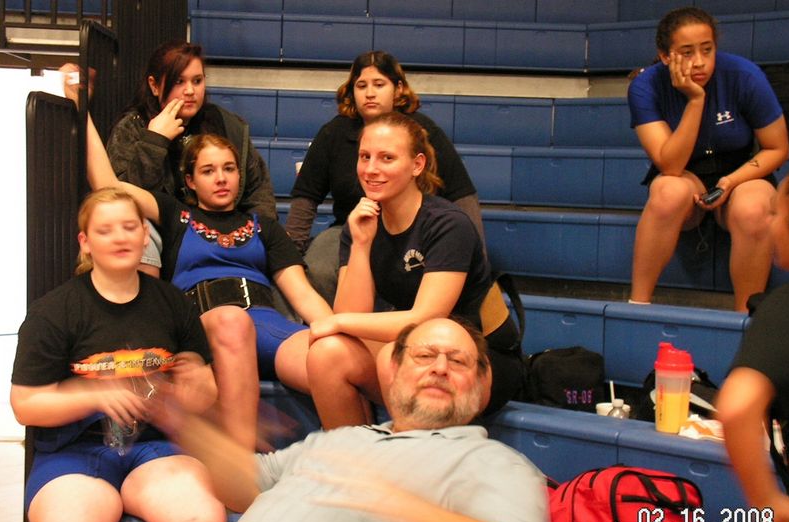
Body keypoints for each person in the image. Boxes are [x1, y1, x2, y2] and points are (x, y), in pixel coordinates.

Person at [65, 64, 333, 450]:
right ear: (191, 181)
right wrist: (80, 102)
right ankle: (242, 467)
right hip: (204, 325)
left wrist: (333, 333)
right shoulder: (175, 214)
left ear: (240, 176)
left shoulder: (264, 227)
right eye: (208, 171)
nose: (221, 178)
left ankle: (368, 458)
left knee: (336, 359)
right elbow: (107, 183)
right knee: (230, 322)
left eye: (228, 169)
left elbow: (303, 295)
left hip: (266, 324)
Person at [156, 317, 553, 522]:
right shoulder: (340, 440)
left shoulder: (493, 463)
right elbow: (243, 487)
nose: (439, 368)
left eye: (458, 361)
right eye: (424, 355)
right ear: (392, 370)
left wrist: (401, 509)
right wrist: (183, 419)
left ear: (482, 387)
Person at [277, 111, 525, 429]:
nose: (371, 169)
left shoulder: (447, 224)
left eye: (387, 158)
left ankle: (406, 454)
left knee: (390, 359)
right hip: (417, 348)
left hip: (478, 356)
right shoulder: (361, 222)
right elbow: (352, 315)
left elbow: (425, 318)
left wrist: (334, 321)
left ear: (417, 165)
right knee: (320, 353)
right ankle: (352, 454)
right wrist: (361, 245)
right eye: (364, 157)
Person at [11, 188, 226, 522]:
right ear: (85, 243)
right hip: (74, 454)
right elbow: (26, 405)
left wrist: (187, 391)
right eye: (105, 230)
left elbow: (205, 394)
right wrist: (96, 395)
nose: (120, 238)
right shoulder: (53, 312)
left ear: (145, 235)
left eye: (129, 227)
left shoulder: (174, 304)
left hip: (156, 448)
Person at [285, 50, 483, 304]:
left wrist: (476, 256)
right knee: (318, 269)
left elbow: (461, 194)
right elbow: (306, 195)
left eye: (379, 84)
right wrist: (290, 256)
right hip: (351, 226)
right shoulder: (333, 133)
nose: (369, 93)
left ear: (398, 89)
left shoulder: (423, 131)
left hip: (414, 231)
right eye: (361, 86)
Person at [627, 7, 789, 312]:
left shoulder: (745, 75)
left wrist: (730, 181)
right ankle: (637, 306)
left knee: (754, 208)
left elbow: (777, 148)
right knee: (667, 193)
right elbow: (670, 165)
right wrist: (696, 100)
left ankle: (746, 317)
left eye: (707, 49)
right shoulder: (645, 86)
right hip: (685, 174)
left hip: (741, 174)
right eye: (687, 52)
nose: (700, 61)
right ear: (665, 56)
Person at [106, 40, 277, 276]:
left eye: (197, 81)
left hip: (225, 231)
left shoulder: (226, 124)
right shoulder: (132, 128)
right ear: (154, 85)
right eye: (179, 82)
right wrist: (154, 141)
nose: (190, 91)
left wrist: (258, 235)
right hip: (163, 235)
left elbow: (258, 190)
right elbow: (120, 198)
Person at [716, 169, 789, 522]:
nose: (769, 223)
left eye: (776, 214)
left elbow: (736, 407)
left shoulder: (787, 307)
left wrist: (768, 505)